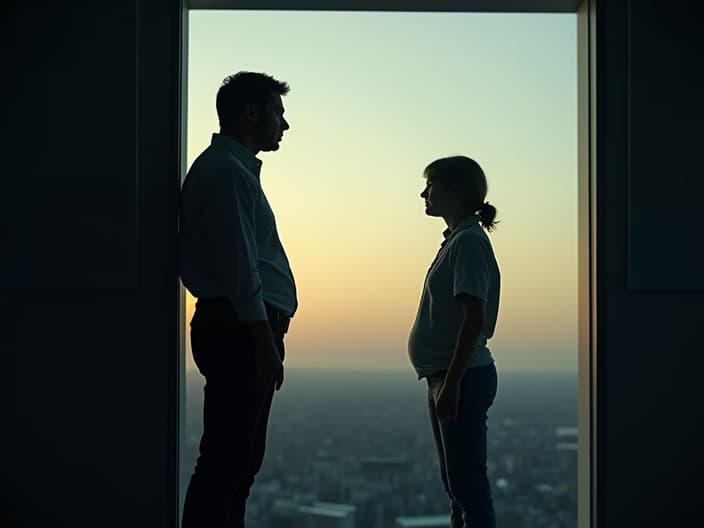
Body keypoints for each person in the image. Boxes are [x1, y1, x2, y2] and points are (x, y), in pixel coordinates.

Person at [178, 71, 296, 528]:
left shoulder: (229, 170)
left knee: (235, 465)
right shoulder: (227, 173)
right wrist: (264, 342)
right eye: (278, 113)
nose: (284, 125)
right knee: (227, 466)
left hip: (237, 326)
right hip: (240, 330)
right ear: (251, 113)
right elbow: (242, 267)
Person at [408, 156, 500, 528]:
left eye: (431, 185)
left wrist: (453, 385)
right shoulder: (459, 240)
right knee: (458, 487)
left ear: (455, 190)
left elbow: (473, 319)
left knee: (468, 488)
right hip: (447, 376)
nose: (423, 194)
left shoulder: (469, 243)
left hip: (458, 376)